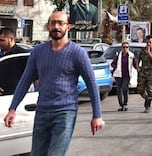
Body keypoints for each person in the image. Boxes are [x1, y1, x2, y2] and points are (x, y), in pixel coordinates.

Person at [3, 11, 104, 155]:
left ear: (68, 27)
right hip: (42, 111)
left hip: (65, 112)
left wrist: (97, 116)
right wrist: (12, 108)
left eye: (60, 23)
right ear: (48, 26)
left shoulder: (78, 53)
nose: (56, 26)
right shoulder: (37, 52)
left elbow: (92, 84)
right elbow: (25, 80)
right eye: (53, 23)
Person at [111, 41, 138, 111]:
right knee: (119, 90)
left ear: (128, 48)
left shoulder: (131, 55)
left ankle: (125, 104)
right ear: (121, 48)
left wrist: (138, 69)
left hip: (127, 75)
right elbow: (113, 63)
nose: (125, 48)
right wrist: (115, 68)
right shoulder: (118, 55)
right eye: (124, 47)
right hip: (118, 75)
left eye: (127, 47)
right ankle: (121, 104)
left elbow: (135, 64)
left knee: (125, 88)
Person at [137, 35, 152, 113]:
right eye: (147, 42)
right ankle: (147, 98)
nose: (148, 44)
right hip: (143, 72)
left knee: (150, 90)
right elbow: (138, 59)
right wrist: (138, 67)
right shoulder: (143, 50)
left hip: (151, 72)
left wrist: (149, 53)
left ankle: (147, 106)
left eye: (150, 42)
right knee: (140, 89)